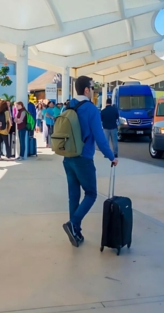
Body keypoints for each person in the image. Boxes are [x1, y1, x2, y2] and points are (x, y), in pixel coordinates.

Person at [61, 76, 118, 248]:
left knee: (73, 195)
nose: (93, 91)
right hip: (83, 159)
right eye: (92, 88)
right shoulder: (91, 109)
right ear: (86, 90)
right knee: (91, 193)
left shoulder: (68, 105)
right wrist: (111, 156)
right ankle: (73, 224)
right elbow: (100, 139)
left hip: (68, 157)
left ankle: (75, 230)